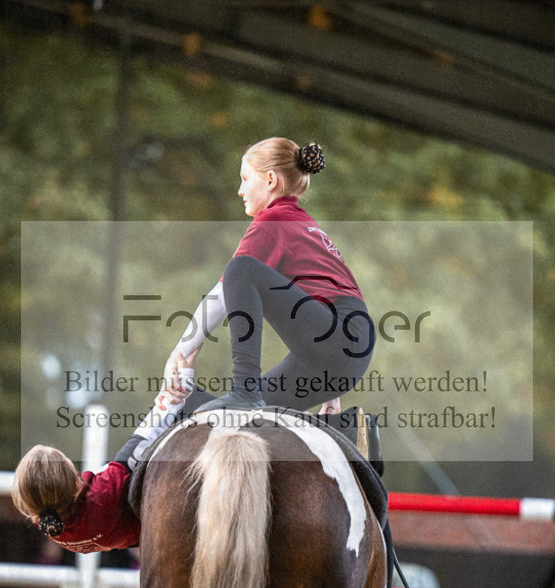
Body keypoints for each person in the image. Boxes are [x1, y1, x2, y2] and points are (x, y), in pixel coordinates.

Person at [112, 137, 378, 469]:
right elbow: (329, 294)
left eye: (245, 178)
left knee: (241, 270)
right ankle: (343, 435)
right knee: (231, 416)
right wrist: (331, 389)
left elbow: (224, 292)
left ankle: (244, 388)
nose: (239, 189)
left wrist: (182, 351)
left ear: (270, 180)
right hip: (341, 351)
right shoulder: (303, 224)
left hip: (338, 339)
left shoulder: (275, 220)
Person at [11, 444, 140, 553]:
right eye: (66, 460)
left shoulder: (43, 518)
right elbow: (143, 437)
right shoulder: (102, 491)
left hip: (127, 540)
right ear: (73, 479)